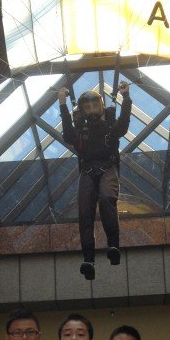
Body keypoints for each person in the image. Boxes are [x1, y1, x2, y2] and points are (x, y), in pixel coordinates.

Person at [58, 81, 132, 281]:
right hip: (88, 171)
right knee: (85, 212)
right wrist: (62, 104)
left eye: (93, 105)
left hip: (108, 167)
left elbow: (123, 124)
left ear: (100, 106)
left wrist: (126, 98)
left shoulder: (110, 125)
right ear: (82, 110)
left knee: (107, 199)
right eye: (87, 107)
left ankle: (113, 245)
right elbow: (68, 135)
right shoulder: (80, 130)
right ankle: (88, 259)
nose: (91, 110)